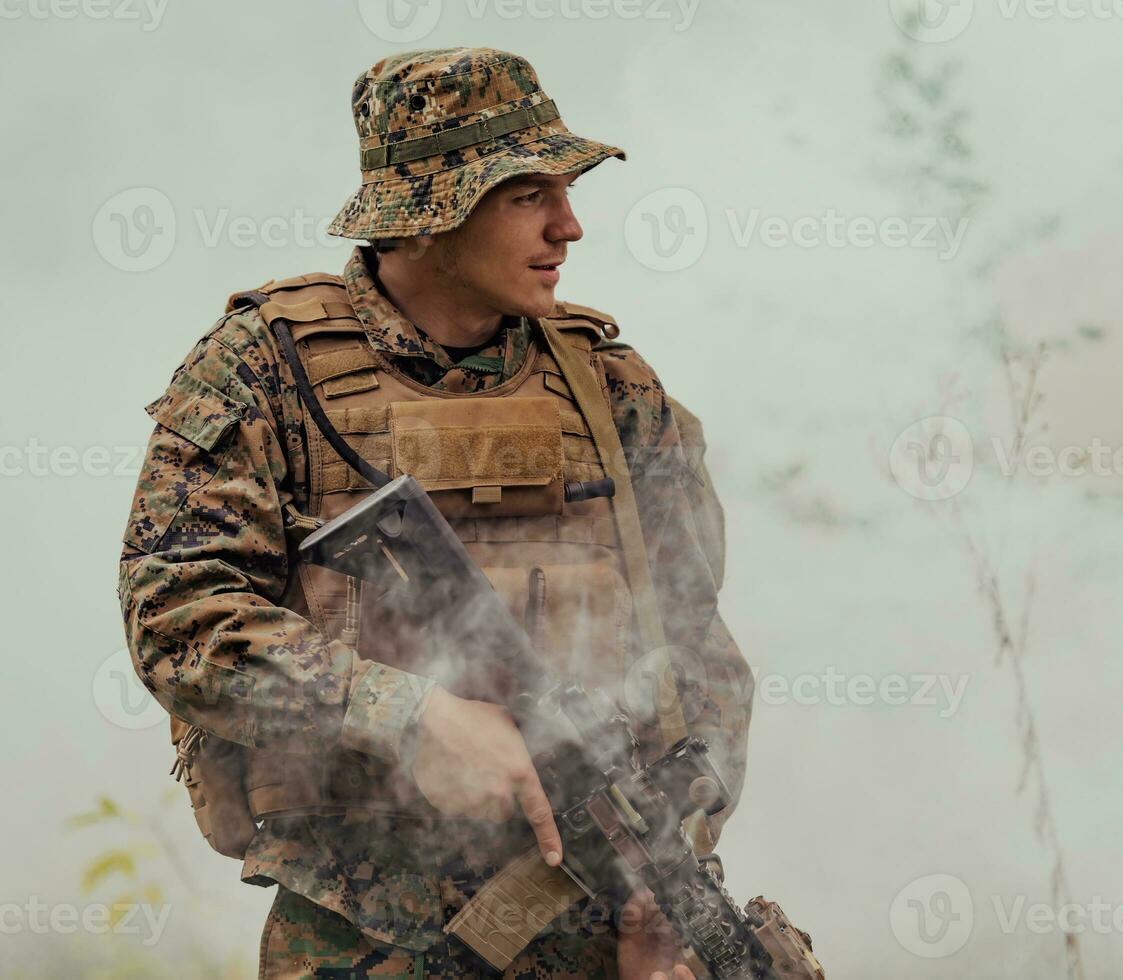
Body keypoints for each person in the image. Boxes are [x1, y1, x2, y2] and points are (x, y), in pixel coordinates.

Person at [117, 46, 753, 979]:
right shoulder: (264, 371)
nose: (570, 226)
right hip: (365, 939)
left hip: (600, 936)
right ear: (426, 219)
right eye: (525, 195)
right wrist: (408, 716)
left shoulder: (611, 390)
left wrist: (674, 871)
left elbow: (697, 652)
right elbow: (178, 619)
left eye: (563, 190)